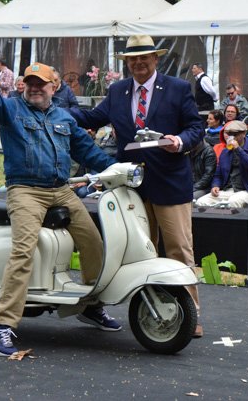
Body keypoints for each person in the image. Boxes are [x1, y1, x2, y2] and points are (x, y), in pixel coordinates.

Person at [0, 43, 121, 357]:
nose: (35, 89)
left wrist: (117, 169)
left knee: (93, 242)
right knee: (24, 250)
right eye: (30, 83)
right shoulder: (11, 109)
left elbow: (86, 151)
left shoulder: (64, 116)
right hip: (25, 190)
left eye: (41, 84)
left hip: (61, 190)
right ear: (24, 86)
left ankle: (90, 306)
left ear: (53, 87)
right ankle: (1, 326)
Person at [67, 35, 205, 338]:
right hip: (132, 187)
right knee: (143, 250)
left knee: (179, 249)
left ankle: (189, 315)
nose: (139, 63)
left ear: (155, 59)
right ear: (126, 62)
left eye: (145, 57)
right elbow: (91, 118)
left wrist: (179, 141)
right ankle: (155, 313)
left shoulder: (178, 88)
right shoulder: (117, 91)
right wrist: (59, 107)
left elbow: (196, 127)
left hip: (170, 184)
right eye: (133, 59)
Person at [196, 120, 248, 208]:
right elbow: (218, 173)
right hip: (227, 190)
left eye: (235, 134)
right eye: (229, 134)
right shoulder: (225, 151)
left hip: (246, 190)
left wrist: (238, 149)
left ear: (244, 133)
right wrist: (216, 185)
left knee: (233, 202)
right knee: (201, 202)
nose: (232, 137)